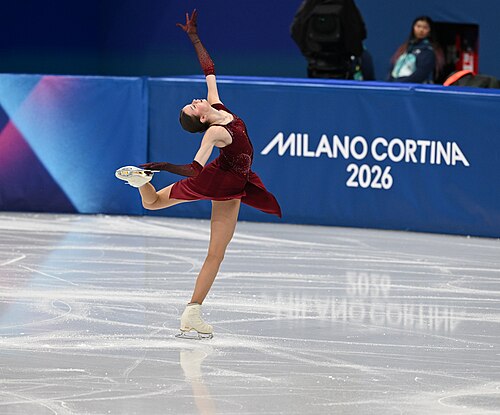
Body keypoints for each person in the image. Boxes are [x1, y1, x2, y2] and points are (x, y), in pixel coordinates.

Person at [115, 10, 282, 339]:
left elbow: (209, 68)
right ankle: (192, 311)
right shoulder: (215, 133)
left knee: (158, 209)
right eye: (192, 107)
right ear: (201, 120)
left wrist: (193, 36)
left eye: (192, 103)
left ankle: (192, 312)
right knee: (214, 252)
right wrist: (161, 167)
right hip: (220, 181)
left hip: (234, 184)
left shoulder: (218, 107)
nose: (194, 101)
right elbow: (194, 168)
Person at [388, 16, 444, 84]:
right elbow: (393, 69)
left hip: (415, 89)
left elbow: (420, 75)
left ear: (430, 31)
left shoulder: (429, 51)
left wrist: (400, 84)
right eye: (418, 26)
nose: (421, 30)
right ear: (413, 28)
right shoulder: (405, 48)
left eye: (425, 27)